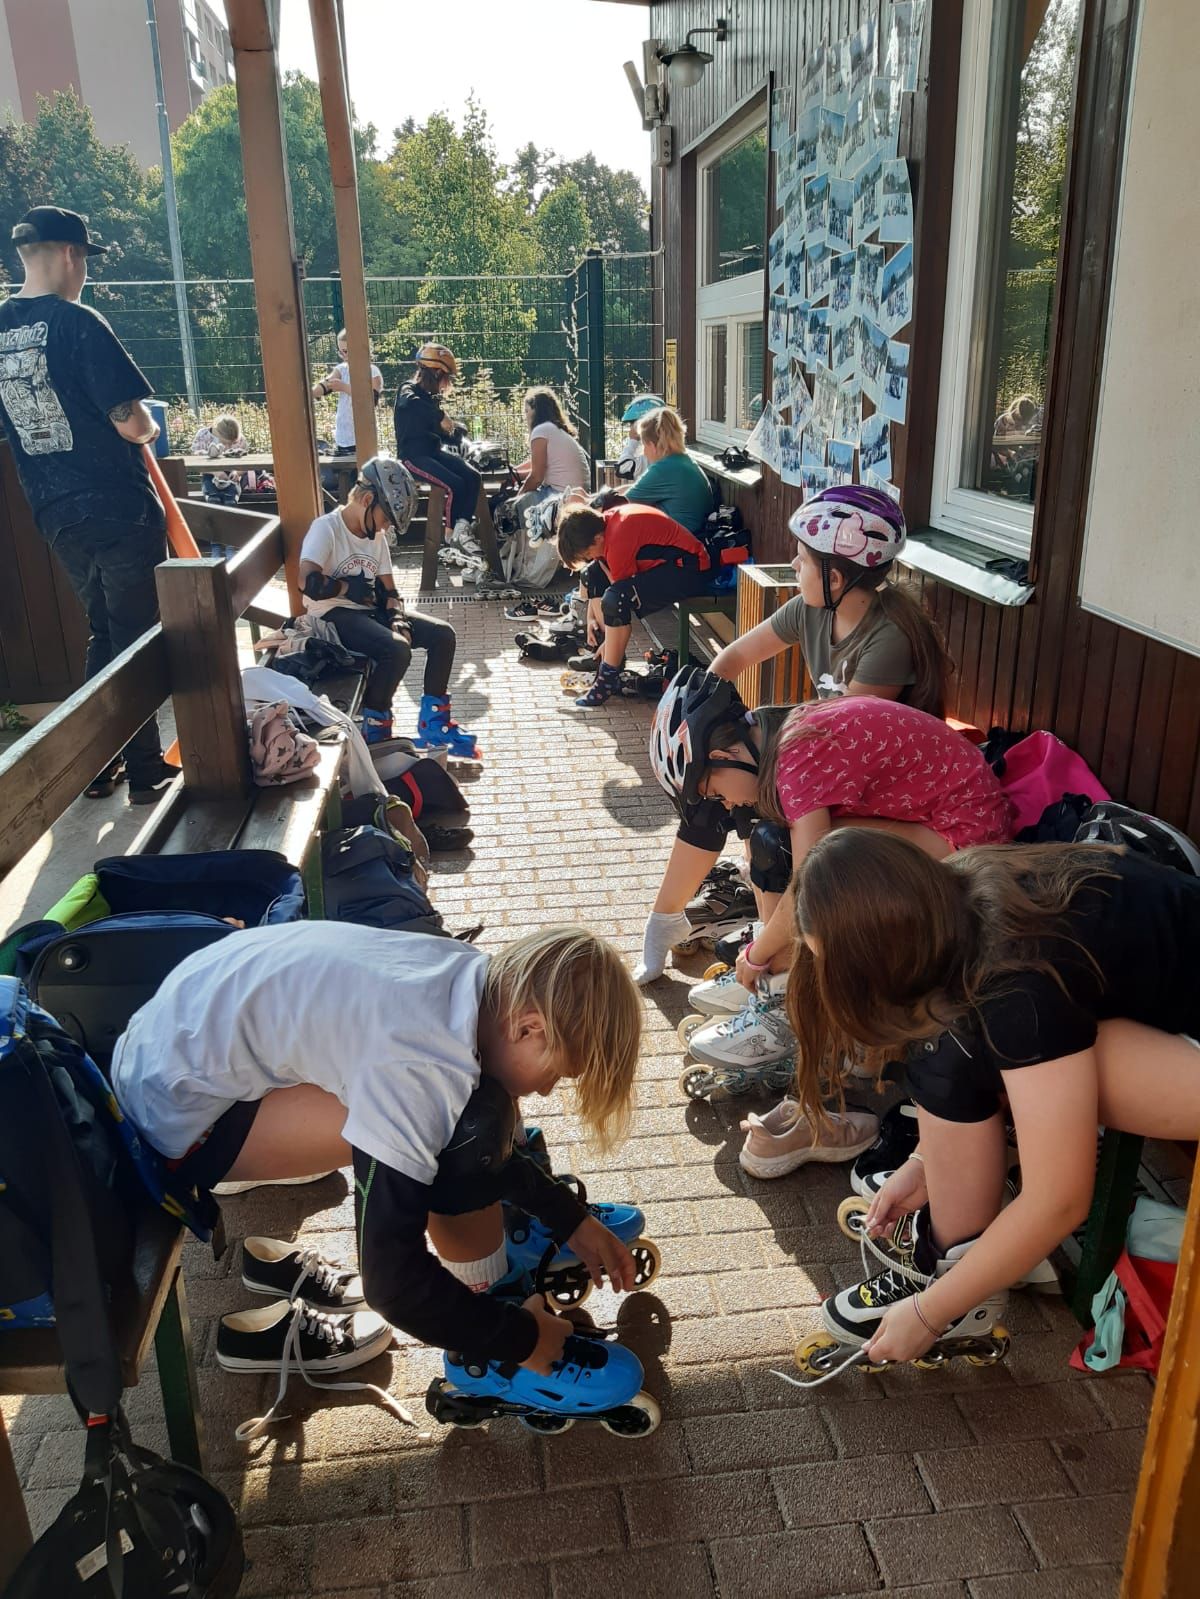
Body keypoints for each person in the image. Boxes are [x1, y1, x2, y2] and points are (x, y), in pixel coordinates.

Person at [109, 921, 651, 1412]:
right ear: (530, 1028)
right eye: (557, 1074)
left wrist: (568, 1218)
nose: (546, 1090)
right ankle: (490, 1360)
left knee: (468, 1110)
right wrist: (525, 1340)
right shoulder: (420, 1066)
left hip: (167, 1040)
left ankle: (506, 1237)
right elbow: (394, 1285)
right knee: (462, 1132)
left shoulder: (474, 979)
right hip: (173, 1120)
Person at [786, 830, 1200, 1366]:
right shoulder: (957, 895)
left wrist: (930, 1313)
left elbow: (1061, 1199)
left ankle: (959, 1291)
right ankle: (957, 1258)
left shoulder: (1017, 981)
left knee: (1018, 1049)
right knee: (954, 1040)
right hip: (1168, 1016)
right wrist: (926, 1160)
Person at [646, 673, 1012, 1161]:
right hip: (945, 819)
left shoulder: (796, 761)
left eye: (715, 791)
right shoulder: (787, 737)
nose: (727, 804)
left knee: (802, 864)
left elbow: (809, 890)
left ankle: (789, 996)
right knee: (777, 842)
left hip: (968, 837)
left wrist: (756, 954)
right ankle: (782, 989)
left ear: (727, 754)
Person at [637, 486, 953, 982]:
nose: (793, 564)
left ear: (834, 577)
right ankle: (669, 921)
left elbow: (847, 734)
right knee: (714, 774)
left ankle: (773, 953)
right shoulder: (812, 608)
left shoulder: (888, 638)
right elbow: (733, 659)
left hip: (870, 780)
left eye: (801, 559)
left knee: (757, 812)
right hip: (824, 749)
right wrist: (707, 723)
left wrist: (739, 749)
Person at [0, 205, 174, 805]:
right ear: (72, 255)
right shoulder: (77, 322)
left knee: (103, 633)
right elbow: (130, 422)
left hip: (53, 512)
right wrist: (150, 428)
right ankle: (146, 772)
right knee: (136, 641)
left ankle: (98, 765)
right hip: (119, 508)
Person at [298, 454, 479, 758]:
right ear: (368, 499)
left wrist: (397, 618)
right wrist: (345, 588)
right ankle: (375, 728)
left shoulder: (375, 538)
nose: (385, 528)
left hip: (366, 612)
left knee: (442, 634)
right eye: (385, 519)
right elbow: (307, 582)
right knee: (396, 649)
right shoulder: (326, 528)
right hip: (329, 615)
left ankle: (434, 723)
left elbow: (389, 590)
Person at [555, 501, 713, 708]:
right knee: (592, 573)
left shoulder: (618, 539)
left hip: (691, 570)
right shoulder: (604, 524)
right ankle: (611, 662)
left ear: (598, 538)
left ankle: (607, 679)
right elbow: (601, 576)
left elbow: (619, 600)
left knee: (617, 599)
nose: (589, 557)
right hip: (665, 566)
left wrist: (610, 639)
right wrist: (591, 617)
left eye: (587, 554)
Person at [392, 342, 498, 574]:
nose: (447, 383)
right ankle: (450, 537)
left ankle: (462, 528)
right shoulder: (407, 391)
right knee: (454, 484)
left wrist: (458, 434)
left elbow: (440, 432)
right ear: (435, 372)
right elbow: (412, 405)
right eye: (445, 378)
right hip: (413, 457)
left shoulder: (430, 399)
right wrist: (440, 416)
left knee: (472, 476)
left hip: (433, 452)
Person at [624, 406, 714, 535]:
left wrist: (595, 501)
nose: (644, 452)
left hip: (679, 543)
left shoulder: (664, 469)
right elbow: (636, 490)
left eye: (644, 445)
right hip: (694, 536)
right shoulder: (683, 461)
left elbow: (622, 503)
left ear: (653, 446)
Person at [313, 328, 384, 488]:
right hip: (343, 437)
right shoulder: (341, 369)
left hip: (363, 437)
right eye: (340, 352)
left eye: (346, 351)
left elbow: (371, 399)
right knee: (347, 481)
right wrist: (310, 392)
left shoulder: (372, 371)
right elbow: (326, 385)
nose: (343, 356)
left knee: (364, 481)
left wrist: (344, 387)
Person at [615, 393, 662, 482]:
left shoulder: (654, 455)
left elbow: (623, 468)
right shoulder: (668, 450)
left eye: (633, 424)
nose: (631, 429)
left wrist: (633, 440)